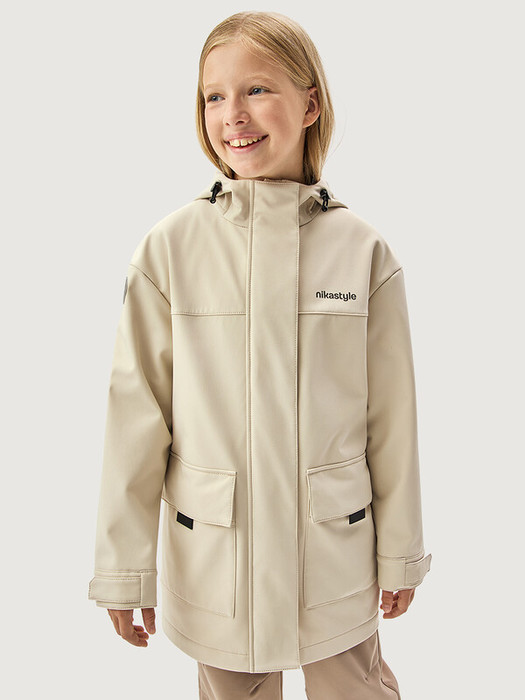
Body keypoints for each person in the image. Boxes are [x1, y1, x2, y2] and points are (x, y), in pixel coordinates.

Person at [88, 10, 432, 699]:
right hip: (219, 556)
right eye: (214, 95)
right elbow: (137, 419)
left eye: (256, 89)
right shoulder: (169, 249)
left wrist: (400, 551)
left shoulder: (362, 252)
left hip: (332, 550)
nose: (233, 115)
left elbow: (392, 420)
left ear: (310, 104)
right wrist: (125, 569)